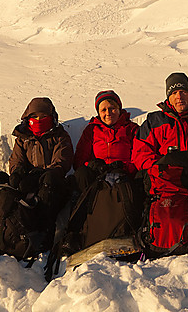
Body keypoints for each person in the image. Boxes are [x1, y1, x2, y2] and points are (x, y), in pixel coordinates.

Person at [61, 90, 142, 255]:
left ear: (119, 108)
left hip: (123, 173)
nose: (108, 113)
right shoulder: (91, 130)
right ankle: (74, 233)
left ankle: (133, 229)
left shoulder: (132, 129)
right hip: (98, 174)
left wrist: (125, 166)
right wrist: (93, 165)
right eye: (103, 110)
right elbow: (79, 161)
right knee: (81, 176)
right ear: (98, 112)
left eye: (112, 108)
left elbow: (140, 156)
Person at [0, 97, 74, 238]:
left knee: (50, 180)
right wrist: (17, 174)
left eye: (43, 117)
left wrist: (39, 175)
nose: (39, 120)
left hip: (50, 184)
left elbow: (62, 162)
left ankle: (44, 231)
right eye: (35, 117)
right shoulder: (22, 138)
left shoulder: (60, 136)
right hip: (25, 182)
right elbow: (16, 161)